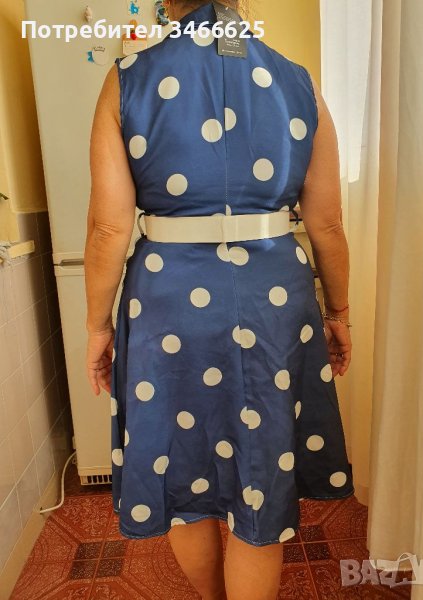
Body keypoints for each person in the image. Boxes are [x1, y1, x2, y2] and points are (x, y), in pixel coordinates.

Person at [84, 1, 354, 598]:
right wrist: (339, 313)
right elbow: (328, 225)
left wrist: (98, 327)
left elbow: (108, 228)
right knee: (262, 471)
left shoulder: (129, 78)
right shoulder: (296, 81)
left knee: (185, 467)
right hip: (274, 299)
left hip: (167, 300)